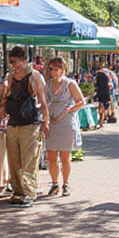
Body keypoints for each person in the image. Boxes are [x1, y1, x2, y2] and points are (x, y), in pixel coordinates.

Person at [0, 47, 49, 208]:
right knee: (14, 161)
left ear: (23, 60)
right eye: (12, 62)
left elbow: (43, 100)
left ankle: (29, 193)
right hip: (13, 123)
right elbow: (5, 100)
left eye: (17, 62)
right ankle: (18, 191)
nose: (15, 66)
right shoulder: (10, 77)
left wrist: (46, 121)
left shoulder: (34, 76)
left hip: (30, 124)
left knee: (28, 160)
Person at [42, 57, 86, 197]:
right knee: (51, 155)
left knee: (65, 156)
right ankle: (54, 183)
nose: (53, 72)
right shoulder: (47, 85)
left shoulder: (70, 84)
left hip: (66, 122)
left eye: (56, 69)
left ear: (62, 69)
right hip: (52, 122)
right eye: (51, 69)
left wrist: (69, 109)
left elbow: (82, 102)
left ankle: (66, 183)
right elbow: (43, 102)